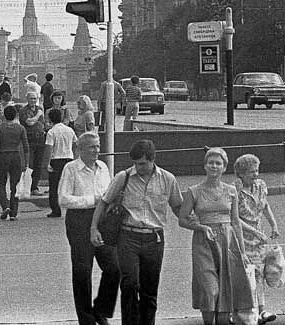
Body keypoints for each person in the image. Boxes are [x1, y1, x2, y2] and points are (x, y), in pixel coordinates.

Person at [91, 139, 184, 325]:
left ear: (152, 160)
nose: (138, 167)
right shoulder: (123, 177)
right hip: (128, 236)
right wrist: (94, 228)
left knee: (149, 289)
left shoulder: (168, 179)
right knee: (130, 284)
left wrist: (200, 217)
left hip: (154, 237)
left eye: (142, 163)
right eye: (135, 163)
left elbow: (179, 208)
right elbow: (104, 201)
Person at [178, 148, 256, 325]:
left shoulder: (231, 191)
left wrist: (242, 252)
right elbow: (182, 219)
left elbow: (236, 222)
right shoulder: (193, 191)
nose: (214, 166)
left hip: (228, 242)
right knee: (210, 289)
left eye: (218, 163)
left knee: (225, 290)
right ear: (205, 166)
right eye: (211, 162)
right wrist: (200, 226)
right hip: (203, 242)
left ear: (224, 168)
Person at [58, 132, 118, 325]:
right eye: (92, 147)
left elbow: (109, 193)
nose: (97, 150)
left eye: (98, 146)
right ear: (81, 149)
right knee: (83, 271)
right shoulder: (71, 169)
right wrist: (92, 200)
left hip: (102, 220)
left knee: (113, 268)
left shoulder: (103, 168)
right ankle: (86, 318)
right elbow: (63, 199)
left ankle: (101, 309)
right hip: (79, 221)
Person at [234, 154, 280, 325]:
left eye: (257, 171)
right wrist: (254, 231)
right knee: (247, 276)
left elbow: (265, 205)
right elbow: (235, 219)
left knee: (259, 274)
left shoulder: (260, 185)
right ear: (241, 174)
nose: (255, 175)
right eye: (251, 172)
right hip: (243, 238)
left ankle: (262, 310)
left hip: (259, 237)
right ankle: (245, 311)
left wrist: (273, 225)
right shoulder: (235, 190)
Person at [0, 105, 30, 221]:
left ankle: (5, 206)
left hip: (3, 155)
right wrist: (26, 162)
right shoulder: (20, 128)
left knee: (1, 183)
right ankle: (13, 212)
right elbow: (26, 147)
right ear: (16, 115)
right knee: (15, 185)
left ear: (4, 115)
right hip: (15, 156)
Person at [46, 108, 77, 218]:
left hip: (56, 160)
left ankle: (56, 210)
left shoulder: (51, 132)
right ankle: (72, 207)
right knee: (69, 185)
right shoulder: (69, 130)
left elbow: (49, 148)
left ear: (50, 119)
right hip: (69, 158)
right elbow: (75, 144)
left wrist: (47, 163)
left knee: (54, 186)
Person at [19, 91, 47, 195]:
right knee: (29, 164)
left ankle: (34, 187)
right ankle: (27, 187)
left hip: (40, 139)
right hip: (29, 139)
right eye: (31, 99)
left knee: (38, 165)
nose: (33, 101)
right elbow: (29, 122)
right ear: (27, 99)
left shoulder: (39, 108)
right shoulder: (23, 110)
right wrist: (39, 115)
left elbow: (42, 123)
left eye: (35, 99)